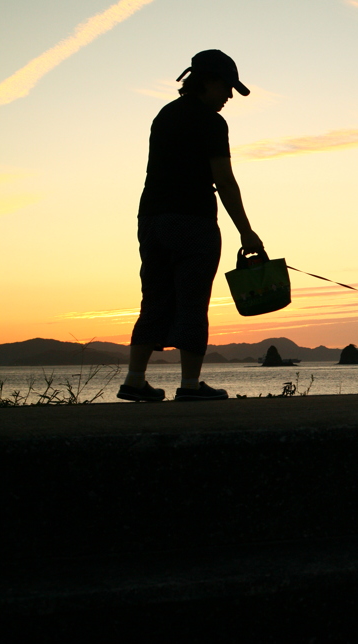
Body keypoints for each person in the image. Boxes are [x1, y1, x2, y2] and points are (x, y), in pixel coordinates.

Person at [117, 50, 264, 402]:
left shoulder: (165, 114)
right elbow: (224, 180)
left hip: (151, 219)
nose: (230, 96)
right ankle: (190, 386)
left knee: (153, 299)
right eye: (227, 87)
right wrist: (246, 231)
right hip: (192, 221)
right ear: (210, 81)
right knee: (192, 302)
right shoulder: (212, 123)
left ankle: (134, 382)